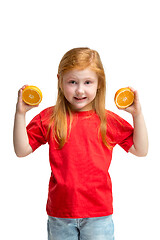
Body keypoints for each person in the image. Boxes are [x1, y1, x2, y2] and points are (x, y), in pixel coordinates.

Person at [13, 47, 148, 240]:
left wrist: (137, 115)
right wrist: (20, 114)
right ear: (60, 81)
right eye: (72, 82)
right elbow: (21, 150)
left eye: (87, 82)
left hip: (98, 215)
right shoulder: (50, 118)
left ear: (99, 83)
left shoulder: (107, 120)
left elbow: (140, 150)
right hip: (60, 214)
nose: (79, 90)